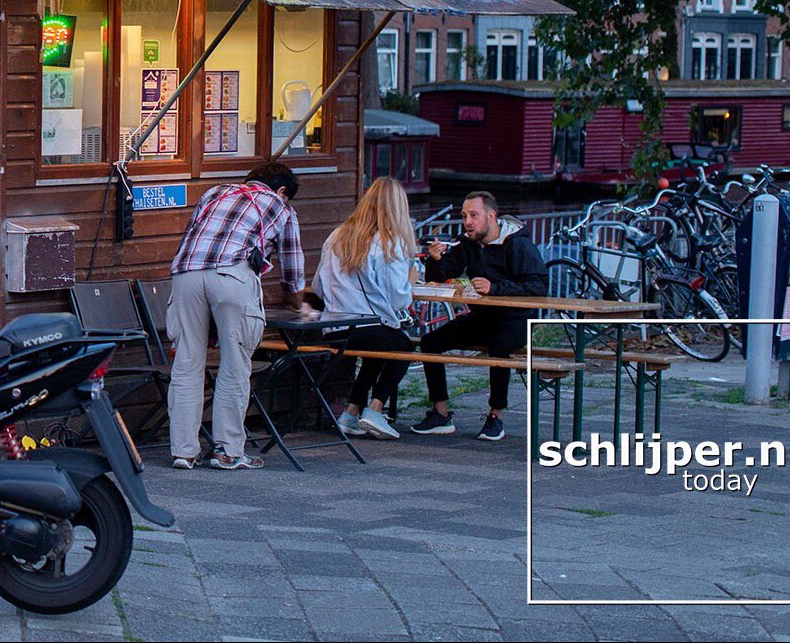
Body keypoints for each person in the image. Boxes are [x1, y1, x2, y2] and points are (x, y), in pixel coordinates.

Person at [166, 160, 305, 471]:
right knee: (234, 364)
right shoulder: (280, 206)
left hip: (186, 274)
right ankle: (227, 452)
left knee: (186, 363)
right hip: (232, 275)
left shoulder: (215, 193)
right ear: (282, 190)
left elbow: (193, 235)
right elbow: (292, 271)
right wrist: (297, 303)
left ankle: (183, 452)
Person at [411, 189, 548, 440]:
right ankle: (440, 413)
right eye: (464, 216)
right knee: (430, 342)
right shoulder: (468, 243)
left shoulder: (519, 244)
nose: (467, 222)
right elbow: (437, 278)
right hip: (481, 318)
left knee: (499, 346)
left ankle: (496, 415)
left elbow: (539, 285)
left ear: (491, 216)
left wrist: (495, 288)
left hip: (516, 320)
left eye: (473, 215)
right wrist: (435, 259)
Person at [311, 176, 418, 441]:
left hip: (333, 328)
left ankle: (350, 412)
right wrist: (411, 281)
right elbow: (398, 300)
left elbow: (318, 287)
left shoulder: (337, 235)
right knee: (403, 347)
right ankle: (376, 409)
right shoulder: (389, 242)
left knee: (381, 348)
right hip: (365, 325)